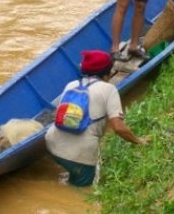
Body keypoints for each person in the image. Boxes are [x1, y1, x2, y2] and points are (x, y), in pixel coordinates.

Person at [45, 50, 146, 187]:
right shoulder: (109, 89)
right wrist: (139, 141)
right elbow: (118, 127)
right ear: (108, 73)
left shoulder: (72, 85)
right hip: (80, 155)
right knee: (82, 191)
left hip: (52, 144)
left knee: (69, 176)